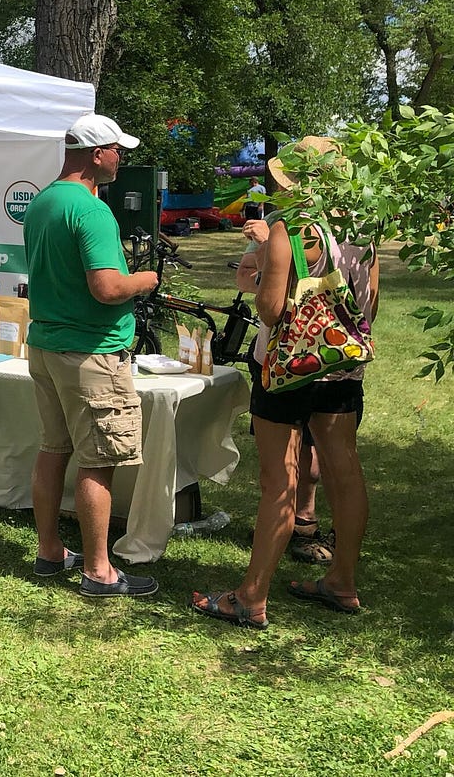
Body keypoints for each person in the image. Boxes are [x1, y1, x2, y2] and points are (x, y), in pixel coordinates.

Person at [192, 136, 378, 627]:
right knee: (346, 470)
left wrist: (258, 283)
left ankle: (251, 596)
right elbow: (370, 307)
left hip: (286, 370)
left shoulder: (288, 229)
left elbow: (272, 310)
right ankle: (342, 581)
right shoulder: (364, 228)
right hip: (342, 364)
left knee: (279, 479)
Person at [23, 113, 160, 598]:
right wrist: (146, 280)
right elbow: (107, 288)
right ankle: (100, 571)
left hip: (44, 346)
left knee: (53, 448)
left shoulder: (42, 202)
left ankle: (49, 550)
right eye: (118, 150)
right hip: (91, 352)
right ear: (97, 153)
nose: (121, 158)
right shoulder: (92, 210)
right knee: (97, 460)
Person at [239, 213, 330, 565]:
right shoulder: (357, 225)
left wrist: (270, 251)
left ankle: (256, 588)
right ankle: (338, 574)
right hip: (336, 356)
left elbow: (269, 308)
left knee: (281, 470)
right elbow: (244, 276)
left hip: (288, 358)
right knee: (337, 462)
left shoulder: (282, 228)